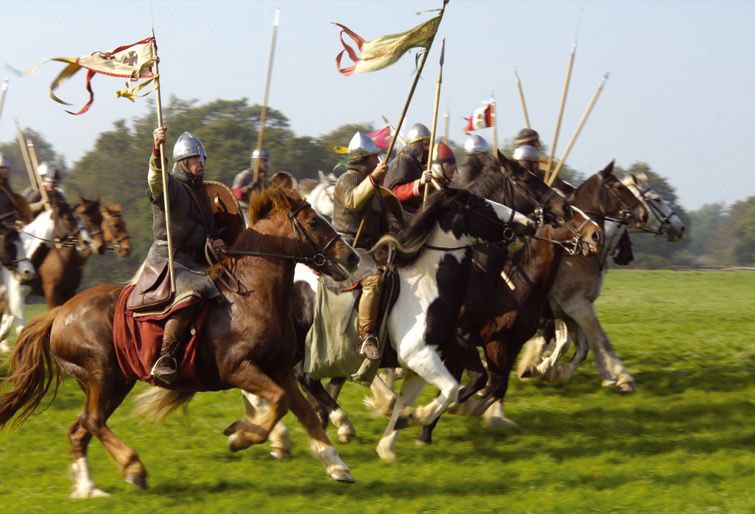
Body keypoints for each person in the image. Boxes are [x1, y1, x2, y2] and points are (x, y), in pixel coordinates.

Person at [141, 127, 224, 384]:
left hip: (194, 260)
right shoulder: (172, 187)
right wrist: (157, 151)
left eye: (202, 158)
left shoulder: (201, 193)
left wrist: (216, 240)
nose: (201, 163)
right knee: (192, 292)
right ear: (183, 162)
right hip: (169, 257)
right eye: (195, 159)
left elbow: (208, 228)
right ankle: (166, 357)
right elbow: (156, 181)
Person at [332, 132, 402, 360]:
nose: (379, 161)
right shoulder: (347, 180)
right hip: (348, 247)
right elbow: (353, 202)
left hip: (371, 247)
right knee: (372, 279)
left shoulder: (375, 188)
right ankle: (366, 337)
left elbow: (386, 219)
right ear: (364, 159)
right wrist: (372, 180)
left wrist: (394, 233)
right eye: (375, 157)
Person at [384, 123, 432, 215]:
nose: (428, 148)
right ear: (415, 144)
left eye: (429, 144)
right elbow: (393, 193)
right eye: (426, 144)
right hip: (400, 215)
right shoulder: (404, 160)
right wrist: (420, 183)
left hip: (414, 212)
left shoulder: (418, 164)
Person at [0, 153, 30, 227]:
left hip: (11, 223)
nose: (6, 170)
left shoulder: (6, 186)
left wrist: (17, 219)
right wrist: (13, 223)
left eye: (7, 168)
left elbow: (12, 209)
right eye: (2, 168)